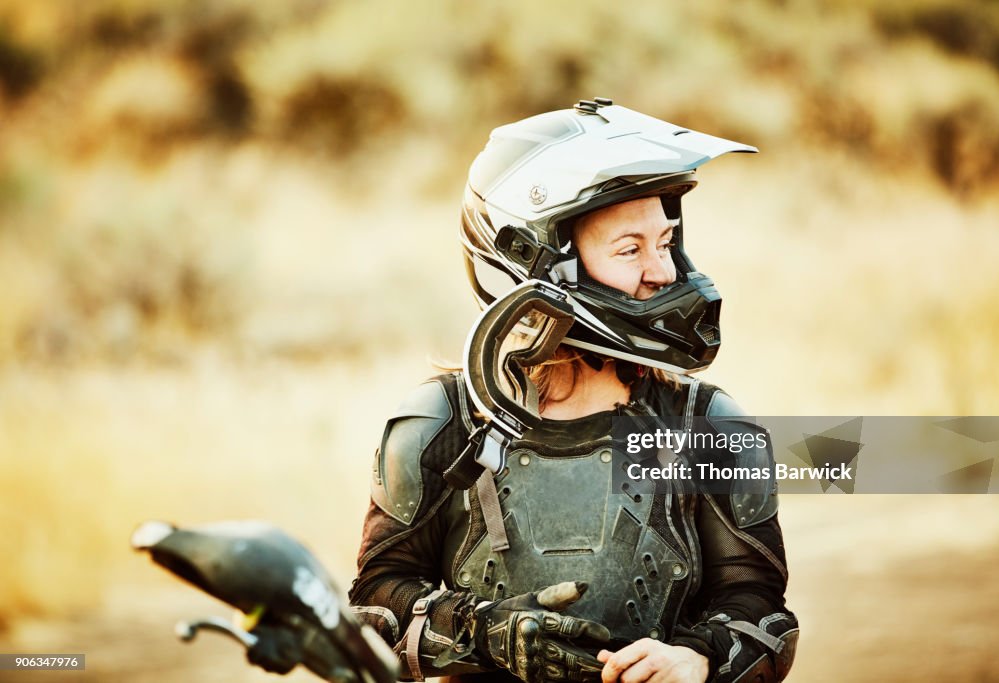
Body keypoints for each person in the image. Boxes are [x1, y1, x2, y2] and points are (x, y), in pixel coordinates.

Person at [250, 99, 798, 682]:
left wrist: (697, 659)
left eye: (663, 242)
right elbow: (376, 602)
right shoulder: (445, 421)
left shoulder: (705, 427)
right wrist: (480, 632)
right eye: (630, 249)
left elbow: (760, 606)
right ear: (539, 262)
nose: (663, 273)